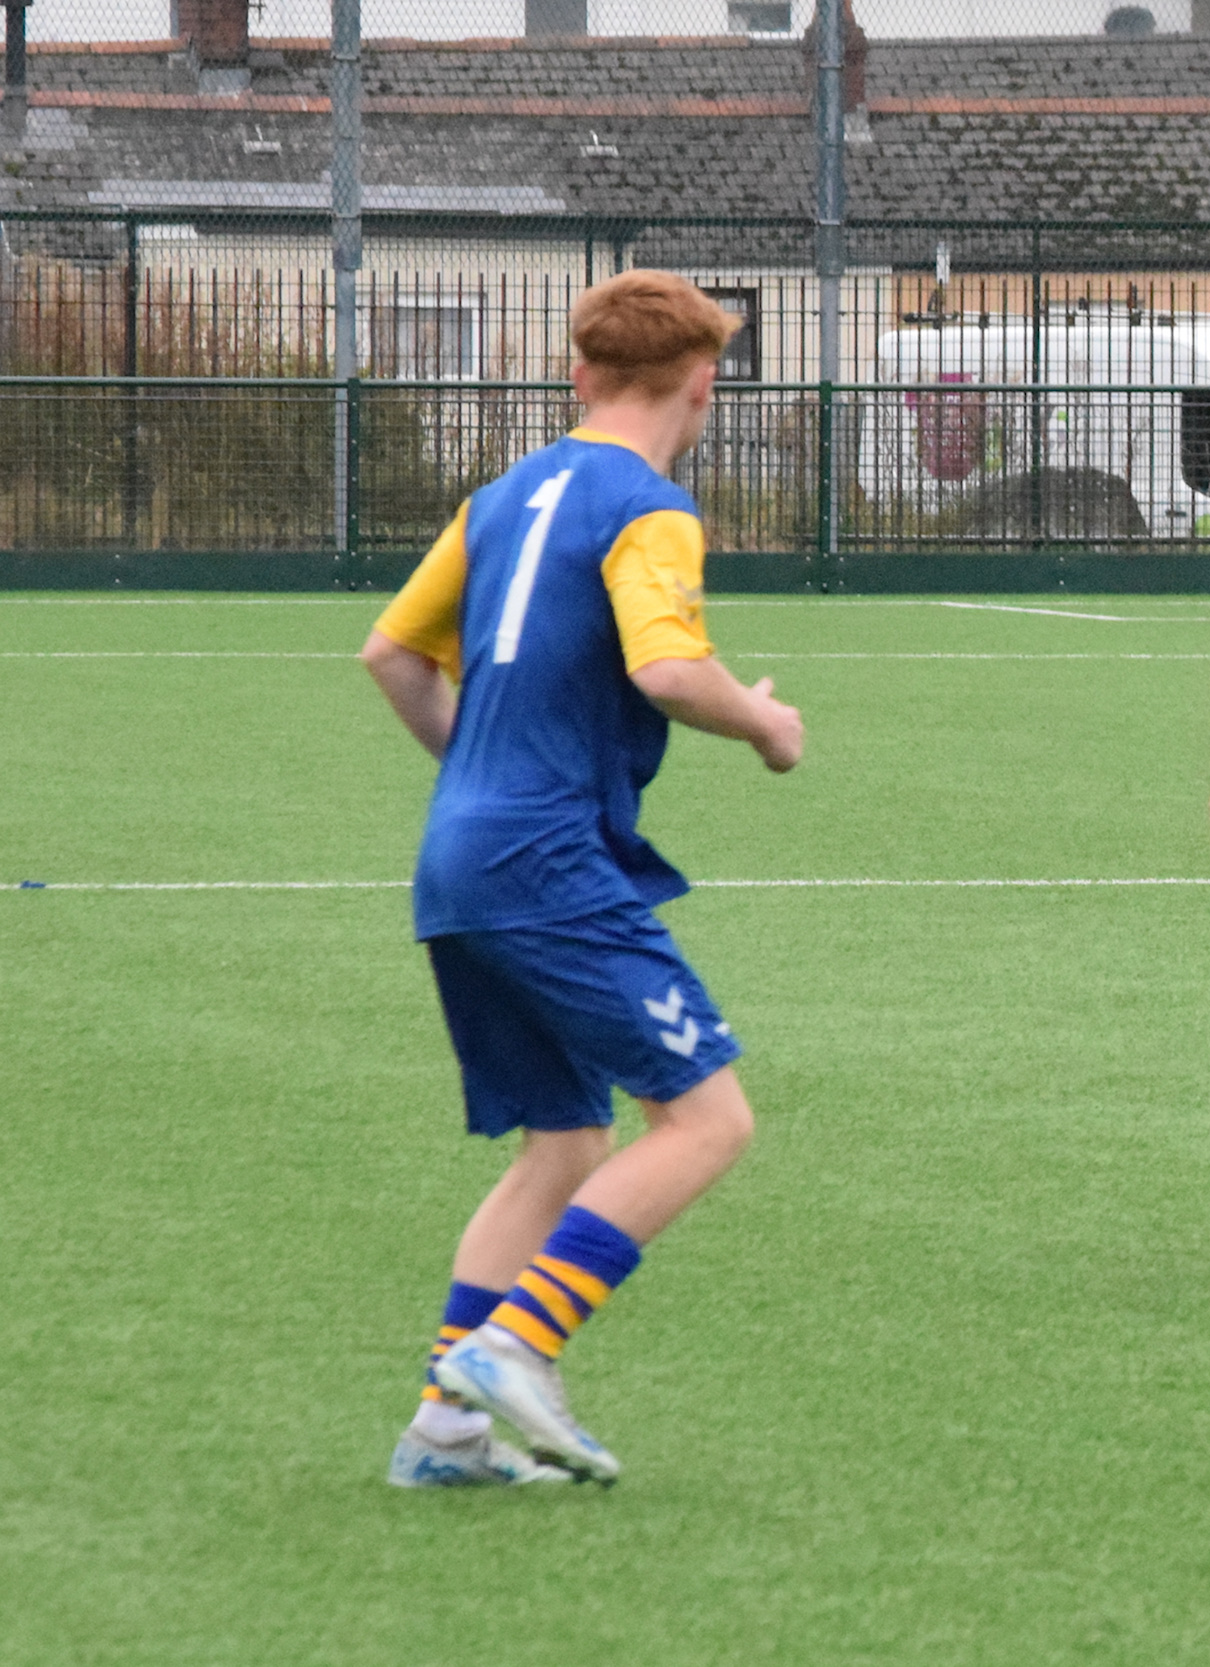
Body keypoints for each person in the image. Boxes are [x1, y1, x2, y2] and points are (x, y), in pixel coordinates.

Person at [363, 270, 807, 1488]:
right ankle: (520, 1342)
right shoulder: (649, 505)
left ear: (579, 374)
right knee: (707, 1116)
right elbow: (668, 670)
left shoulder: (502, 496)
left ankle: (444, 1433)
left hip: (458, 851)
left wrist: (487, 771)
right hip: (547, 858)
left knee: (559, 1145)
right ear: (705, 382)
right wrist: (766, 726)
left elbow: (392, 655)